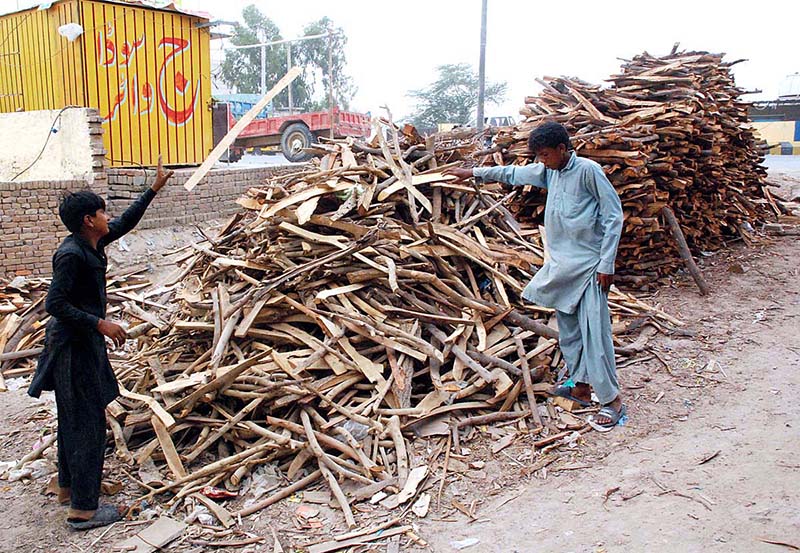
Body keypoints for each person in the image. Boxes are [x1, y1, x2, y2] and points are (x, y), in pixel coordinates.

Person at [446, 121, 625, 431]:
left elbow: (613, 215)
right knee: (569, 332)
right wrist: (472, 173)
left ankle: (611, 401)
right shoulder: (550, 171)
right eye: (538, 156)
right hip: (561, 266)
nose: (541, 161)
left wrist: (607, 263)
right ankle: (580, 386)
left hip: (590, 266)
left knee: (595, 333)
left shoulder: (588, 171)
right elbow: (513, 173)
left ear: (561, 149)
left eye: (545, 154)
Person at [28, 158, 174, 530]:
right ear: (89, 220)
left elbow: (126, 222)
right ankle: (84, 510)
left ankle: (68, 488)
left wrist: (153, 189)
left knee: (73, 419)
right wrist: (101, 324)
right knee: (88, 423)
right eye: (102, 212)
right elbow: (54, 304)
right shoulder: (71, 255)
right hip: (72, 348)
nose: (108, 216)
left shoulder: (92, 242)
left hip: (83, 343)